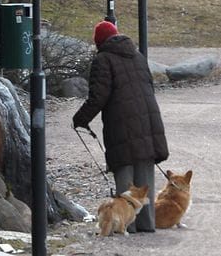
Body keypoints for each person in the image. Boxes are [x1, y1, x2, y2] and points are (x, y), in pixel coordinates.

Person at [72, 21, 169, 234]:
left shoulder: (102, 60)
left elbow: (98, 96)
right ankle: (147, 224)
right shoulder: (138, 56)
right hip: (149, 124)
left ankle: (126, 226)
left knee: (125, 174)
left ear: (99, 42)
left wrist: (80, 119)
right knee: (145, 176)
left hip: (121, 125)